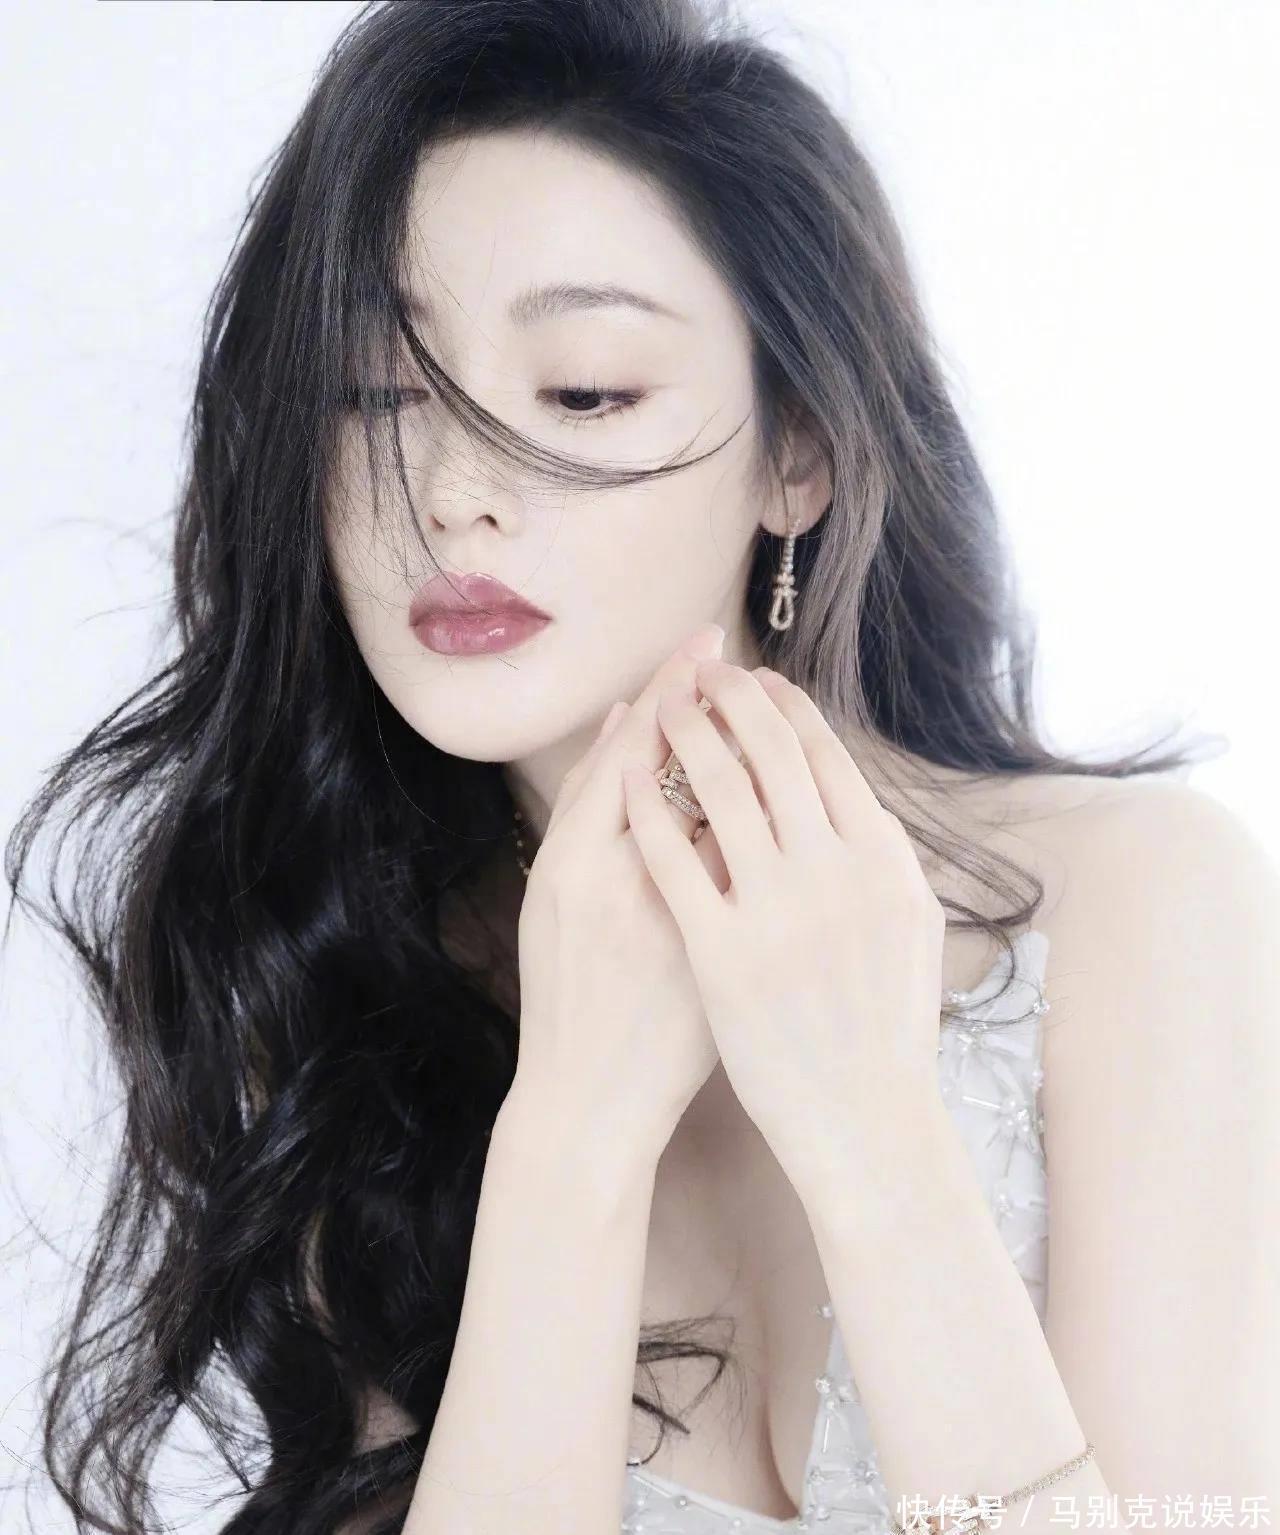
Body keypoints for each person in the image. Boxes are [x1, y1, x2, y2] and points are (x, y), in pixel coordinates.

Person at [7, 0, 1276, 1532]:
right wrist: (572, 1137)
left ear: (797, 452)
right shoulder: (348, 988)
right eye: (372, 397)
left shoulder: (1135, 900)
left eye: (585, 391)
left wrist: (873, 1136)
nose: (449, 494)